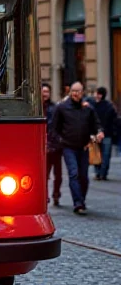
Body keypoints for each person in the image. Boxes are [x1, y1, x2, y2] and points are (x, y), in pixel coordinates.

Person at [52, 81, 103, 215]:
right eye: (73, 91)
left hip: (84, 147)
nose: (75, 94)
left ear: (82, 93)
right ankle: (78, 203)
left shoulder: (87, 108)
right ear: (70, 92)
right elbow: (54, 128)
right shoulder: (62, 107)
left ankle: (81, 199)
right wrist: (60, 140)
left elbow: (96, 124)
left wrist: (99, 132)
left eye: (78, 91)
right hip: (68, 147)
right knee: (73, 174)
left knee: (83, 177)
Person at [87, 87, 117, 181]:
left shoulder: (93, 106)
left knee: (97, 154)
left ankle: (99, 173)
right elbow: (114, 121)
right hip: (106, 133)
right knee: (105, 155)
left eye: (96, 93)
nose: (95, 95)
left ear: (99, 95)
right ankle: (102, 174)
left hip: (97, 133)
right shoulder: (109, 106)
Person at [42, 83, 61, 206]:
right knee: (45, 174)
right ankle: (46, 196)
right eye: (43, 91)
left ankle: (56, 194)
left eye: (47, 92)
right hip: (43, 147)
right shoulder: (35, 109)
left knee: (58, 174)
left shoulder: (55, 108)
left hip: (56, 146)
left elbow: (57, 127)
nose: (45, 94)